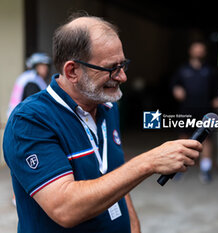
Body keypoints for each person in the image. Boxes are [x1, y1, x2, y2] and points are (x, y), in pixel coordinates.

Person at [3, 14, 202, 233]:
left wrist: (134, 227)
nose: (123, 77)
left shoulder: (107, 105)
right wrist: (148, 162)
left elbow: (115, 174)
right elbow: (65, 208)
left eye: (123, 64)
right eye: (111, 68)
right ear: (72, 71)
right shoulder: (30, 121)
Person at [171, 41, 218, 183]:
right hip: (187, 109)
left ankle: (205, 169)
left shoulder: (210, 70)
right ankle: (179, 167)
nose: (198, 52)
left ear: (204, 52)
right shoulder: (182, 69)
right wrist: (176, 89)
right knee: (184, 137)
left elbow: (217, 88)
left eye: (201, 49)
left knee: (206, 139)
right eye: (196, 49)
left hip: (205, 109)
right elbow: (174, 84)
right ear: (191, 51)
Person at [7, 52, 51, 117]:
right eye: (41, 65)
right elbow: (32, 106)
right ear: (35, 66)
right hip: (22, 118)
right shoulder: (32, 82)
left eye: (46, 65)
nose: (45, 68)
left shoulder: (27, 77)